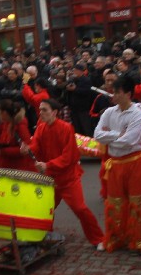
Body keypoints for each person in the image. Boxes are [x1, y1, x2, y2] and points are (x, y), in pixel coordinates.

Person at [30, 99, 104, 248]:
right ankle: (44, 237)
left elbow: (68, 157)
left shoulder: (66, 128)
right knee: (44, 209)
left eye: (44, 110)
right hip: (50, 178)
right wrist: (28, 149)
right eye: (40, 109)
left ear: (54, 112)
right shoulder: (41, 128)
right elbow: (35, 147)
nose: (41, 113)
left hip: (68, 178)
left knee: (80, 208)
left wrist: (48, 165)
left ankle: (98, 239)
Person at [93, 76, 141, 254]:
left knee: (137, 203)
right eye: (113, 92)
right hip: (115, 164)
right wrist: (117, 135)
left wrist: (110, 138)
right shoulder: (109, 112)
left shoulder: (137, 113)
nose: (114, 96)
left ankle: (137, 241)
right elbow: (97, 135)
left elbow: (130, 140)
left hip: (135, 163)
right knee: (115, 203)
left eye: (118, 92)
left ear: (128, 94)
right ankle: (116, 238)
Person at [0, 99, 35, 172]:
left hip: (18, 170)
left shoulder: (20, 126)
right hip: (7, 167)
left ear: (4, 113)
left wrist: (2, 151)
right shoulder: (6, 124)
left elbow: (25, 149)